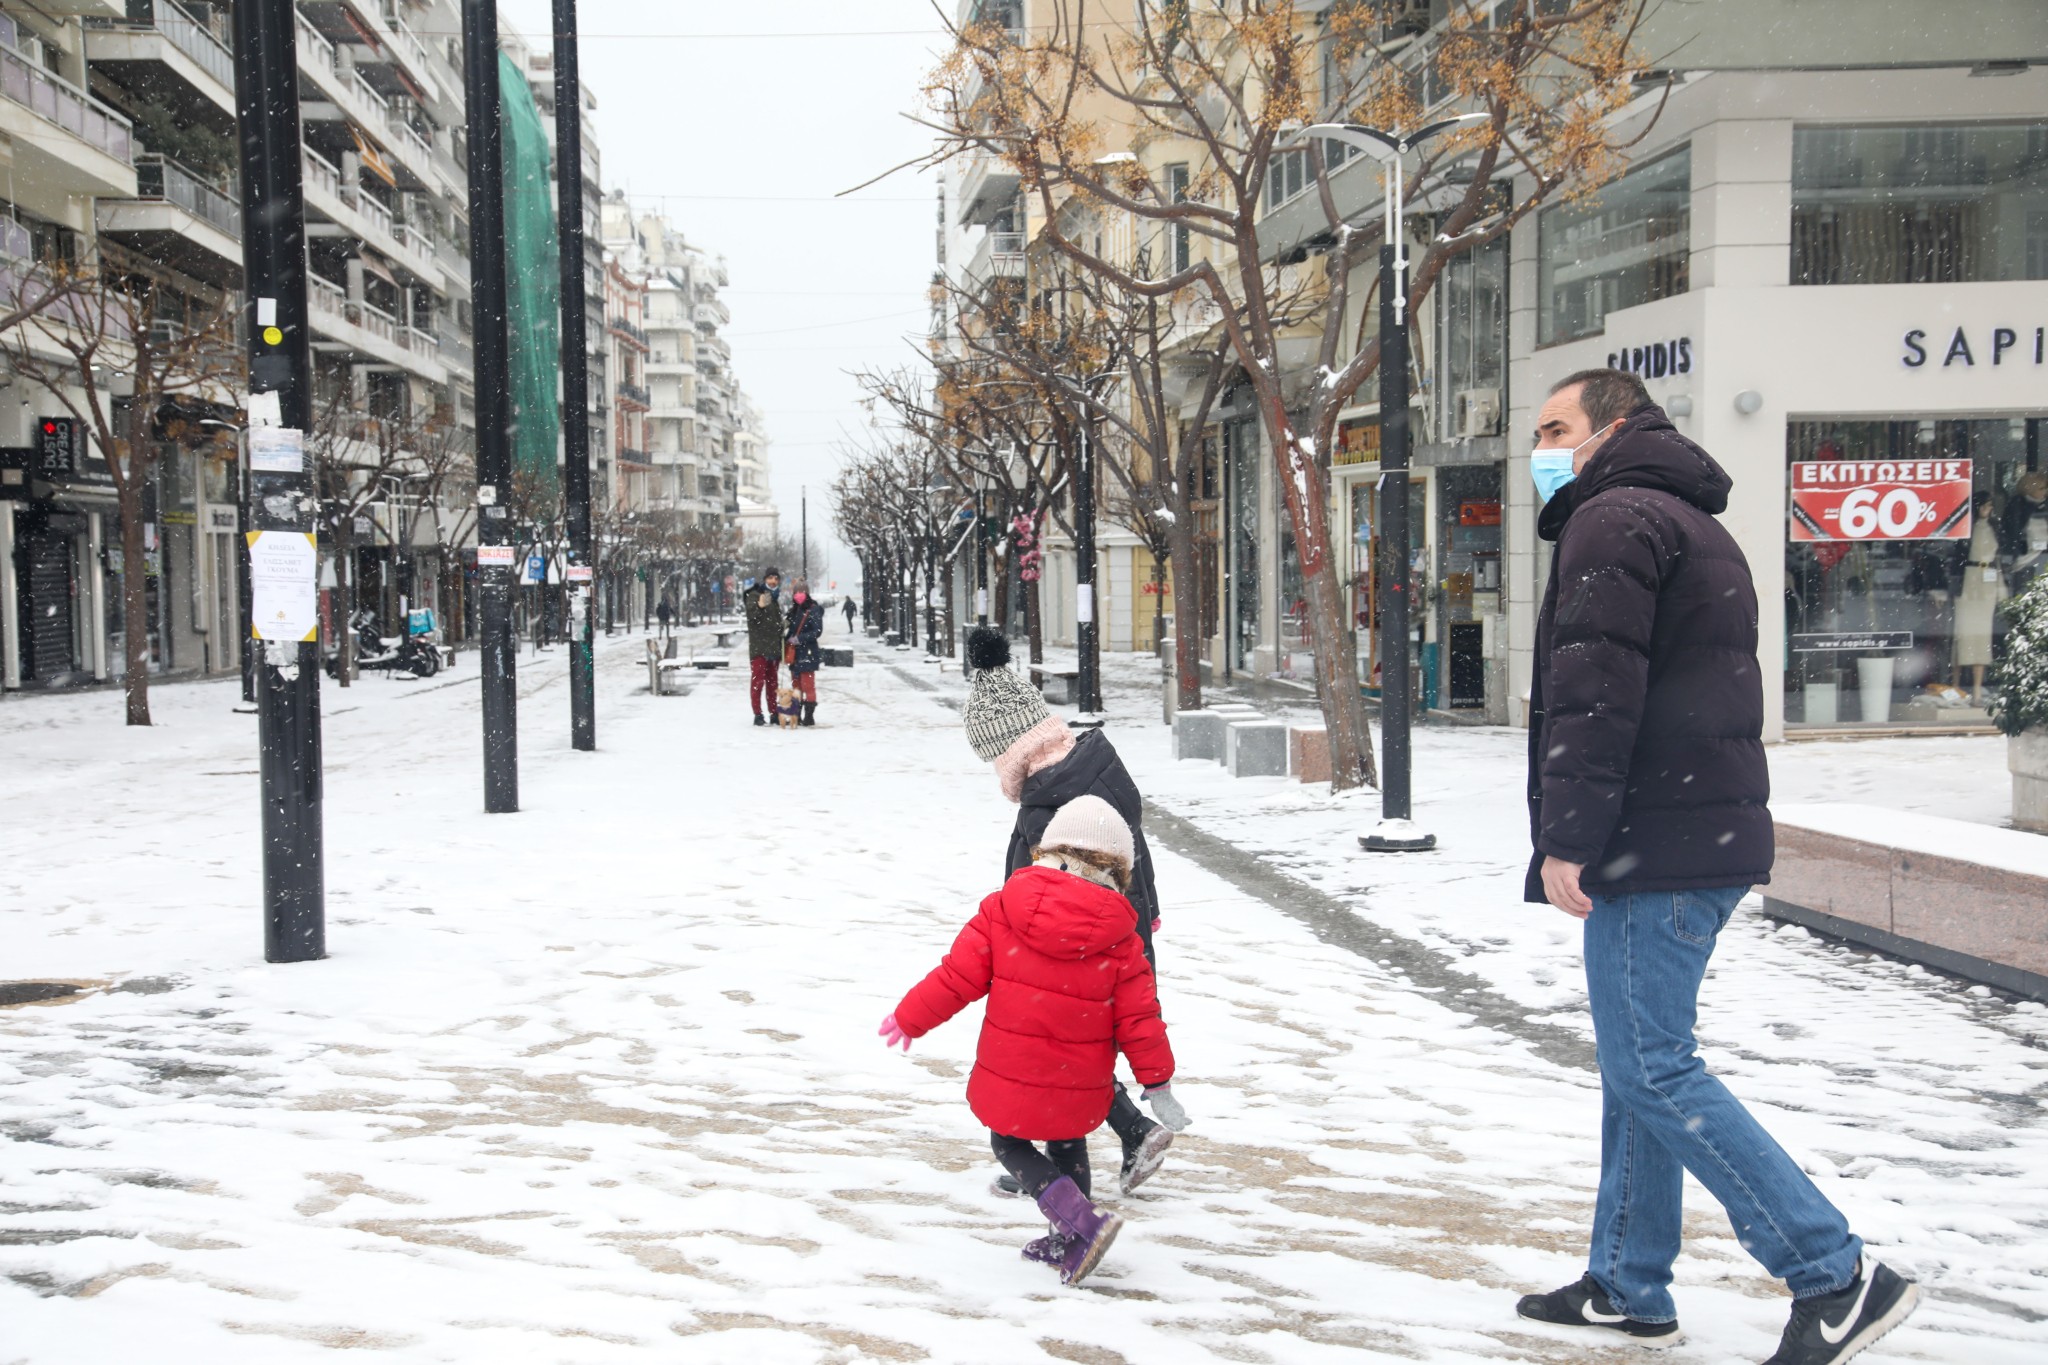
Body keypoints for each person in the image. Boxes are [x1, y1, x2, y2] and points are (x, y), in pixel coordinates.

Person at [1515, 368, 1919, 1364]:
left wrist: (1567, 832)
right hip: (1685, 830)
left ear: (1613, 426)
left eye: (1557, 427)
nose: (1543, 449)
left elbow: (1596, 695)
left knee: (1652, 1066)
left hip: (1657, 840)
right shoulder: (1684, 517)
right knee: (1634, 1067)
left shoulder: (1612, 521)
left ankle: (1831, 1272)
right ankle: (1626, 1280)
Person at [878, 794, 1185, 1286]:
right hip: (1078, 1075)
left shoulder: (1003, 909)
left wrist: (910, 1017)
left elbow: (957, 977)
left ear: (1050, 847)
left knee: (1010, 1141)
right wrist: (1158, 1081)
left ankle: (1081, 1224)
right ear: (1119, 867)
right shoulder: (1122, 940)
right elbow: (1140, 1019)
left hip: (1012, 1068)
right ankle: (1071, 1238)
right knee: (1067, 1143)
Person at [960, 625, 1176, 1195]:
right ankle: (1132, 1134)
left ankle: (1083, 1162)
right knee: (1076, 1043)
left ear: (1009, 752)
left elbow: (1029, 895)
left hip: (1076, 946)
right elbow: (1135, 853)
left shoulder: (1051, 803)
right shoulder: (1091, 771)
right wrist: (1146, 914)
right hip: (1115, 937)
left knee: (1060, 1051)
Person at [744, 569, 784, 728]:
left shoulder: (774, 599)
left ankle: (774, 713)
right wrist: (759, 606)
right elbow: (752, 617)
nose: (773, 581)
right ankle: (758, 714)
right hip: (759, 648)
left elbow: (775, 623)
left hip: (773, 649)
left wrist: (783, 627)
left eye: (776, 578)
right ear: (765, 579)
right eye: (770, 578)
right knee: (757, 682)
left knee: (772, 683)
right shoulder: (756, 595)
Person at [785, 579, 826, 727]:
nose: (798, 595)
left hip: (808, 652)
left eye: (801, 592)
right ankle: (796, 714)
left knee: (807, 685)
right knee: (796, 686)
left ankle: (809, 716)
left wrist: (800, 639)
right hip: (795, 653)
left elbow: (817, 631)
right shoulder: (794, 610)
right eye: (796, 592)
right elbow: (789, 629)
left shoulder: (813, 609)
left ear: (807, 593)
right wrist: (787, 637)